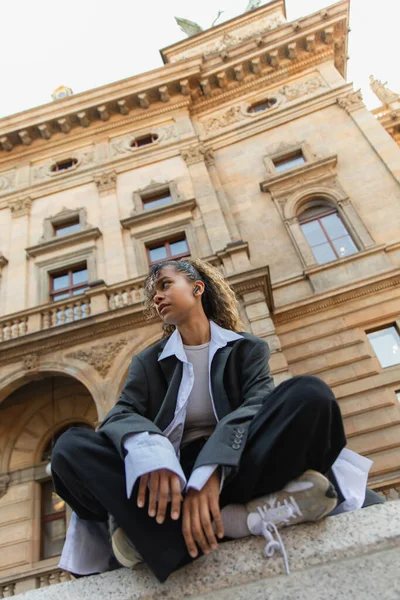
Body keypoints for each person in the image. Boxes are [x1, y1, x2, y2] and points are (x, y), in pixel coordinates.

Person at [51, 258, 378, 583]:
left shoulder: (248, 349)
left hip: (239, 466)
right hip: (169, 488)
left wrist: (212, 470)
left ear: (197, 288)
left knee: (311, 394)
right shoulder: (148, 362)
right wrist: (154, 454)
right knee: (69, 448)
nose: (157, 297)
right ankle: (241, 519)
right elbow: (121, 415)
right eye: (153, 294)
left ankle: (158, 537)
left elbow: (256, 406)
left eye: (165, 285)